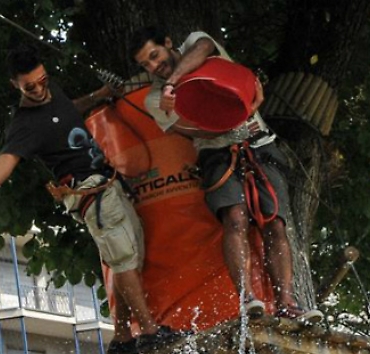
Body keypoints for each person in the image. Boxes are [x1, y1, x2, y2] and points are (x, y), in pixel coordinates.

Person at [0, 43, 180, 354]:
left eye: (43, 80)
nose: (40, 89)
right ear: (14, 85)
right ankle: (151, 333)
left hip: (107, 183)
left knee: (128, 257)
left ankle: (125, 337)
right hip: (90, 193)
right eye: (30, 86)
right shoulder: (24, 125)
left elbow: (67, 109)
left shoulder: (51, 91)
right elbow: (6, 160)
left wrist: (99, 95)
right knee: (124, 258)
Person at [130, 27, 323, 325]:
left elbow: (204, 46)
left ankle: (286, 301)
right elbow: (187, 130)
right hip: (217, 153)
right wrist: (234, 119)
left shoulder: (195, 42)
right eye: (146, 65)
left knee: (276, 223)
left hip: (260, 144)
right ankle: (247, 297)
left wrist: (173, 82)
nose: (154, 66)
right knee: (235, 218)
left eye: (155, 56)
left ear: (169, 43)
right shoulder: (155, 99)